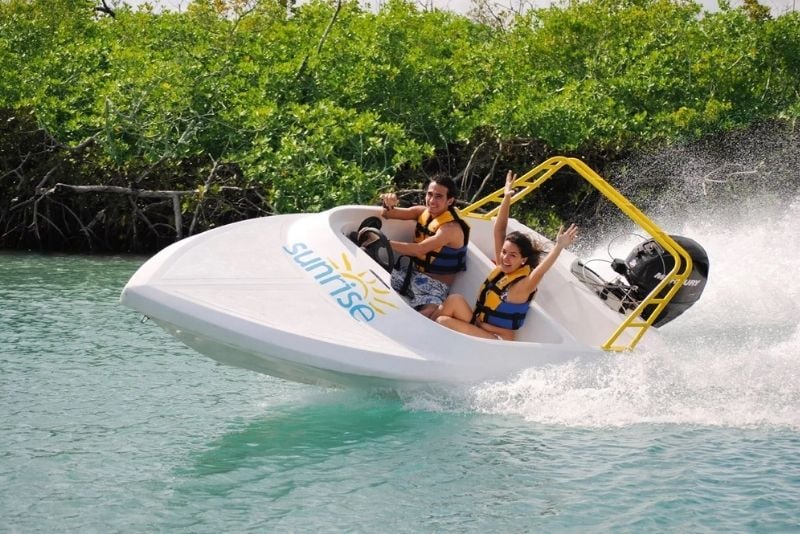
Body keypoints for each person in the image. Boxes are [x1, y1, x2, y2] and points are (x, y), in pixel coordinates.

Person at [432, 170, 578, 341]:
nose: (505, 258)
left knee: (443, 321)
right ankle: (424, 325)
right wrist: (507, 196)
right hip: (481, 327)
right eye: (504, 252)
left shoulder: (522, 285)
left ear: (523, 260)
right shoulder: (504, 268)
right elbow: (499, 229)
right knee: (455, 300)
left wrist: (559, 247)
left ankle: (429, 331)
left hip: (497, 340)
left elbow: (540, 271)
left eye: (512, 255)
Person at [379, 174, 470, 318]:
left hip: (434, 286)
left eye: (439, 196)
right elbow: (387, 214)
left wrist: (384, 243)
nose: (432, 200)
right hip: (410, 274)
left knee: (425, 316)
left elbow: (419, 250)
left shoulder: (450, 229)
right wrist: (388, 203)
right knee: (373, 274)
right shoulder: (422, 212)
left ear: (450, 200)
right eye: (430, 194)